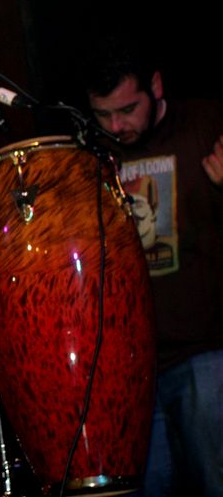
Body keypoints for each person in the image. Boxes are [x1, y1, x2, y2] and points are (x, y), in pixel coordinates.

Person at [84, 35, 223, 496]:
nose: (116, 125)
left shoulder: (206, 123)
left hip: (205, 352)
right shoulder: (92, 154)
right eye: (103, 114)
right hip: (131, 370)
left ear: (156, 86)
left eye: (128, 109)